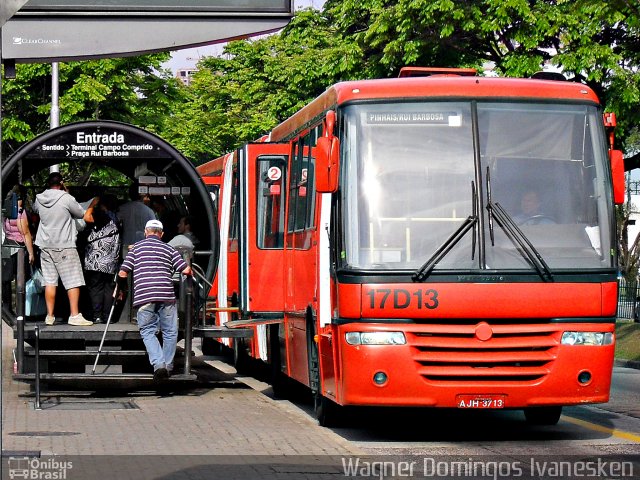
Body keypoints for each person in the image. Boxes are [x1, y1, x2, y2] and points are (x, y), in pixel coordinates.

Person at [118, 219, 192, 381]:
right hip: (166, 296)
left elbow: (123, 273)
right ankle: (168, 366)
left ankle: (159, 365)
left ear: (146, 232)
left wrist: (120, 288)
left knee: (148, 331)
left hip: (145, 298)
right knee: (170, 332)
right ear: (162, 234)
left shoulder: (136, 249)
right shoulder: (168, 249)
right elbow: (186, 270)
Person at [32, 172, 94, 326]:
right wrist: (68, 193)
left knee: (50, 282)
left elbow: (35, 211)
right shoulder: (66, 198)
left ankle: (50, 316)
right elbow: (82, 214)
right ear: (61, 183)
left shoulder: (39, 198)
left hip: (45, 245)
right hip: (65, 245)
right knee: (73, 281)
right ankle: (74, 315)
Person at [84, 194, 121, 324]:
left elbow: (86, 217)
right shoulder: (116, 217)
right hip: (111, 260)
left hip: (96, 260)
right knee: (108, 288)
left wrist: (93, 203)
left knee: (96, 288)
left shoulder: (102, 216)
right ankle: (107, 317)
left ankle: (97, 315)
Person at [2, 185, 35, 309]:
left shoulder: (6, 211)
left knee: (6, 279)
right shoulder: (20, 213)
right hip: (19, 247)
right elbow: (26, 234)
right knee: (20, 279)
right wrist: (31, 253)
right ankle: (20, 309)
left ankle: (7, 307)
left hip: (6, 244)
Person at [116, 183, 156, 255]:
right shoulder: (149, 211)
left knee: (127, 263)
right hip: (143, 246)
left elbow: (115, 224)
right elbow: (154, 231)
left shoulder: (122, 208)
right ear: (142, 194)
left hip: (126, 245)